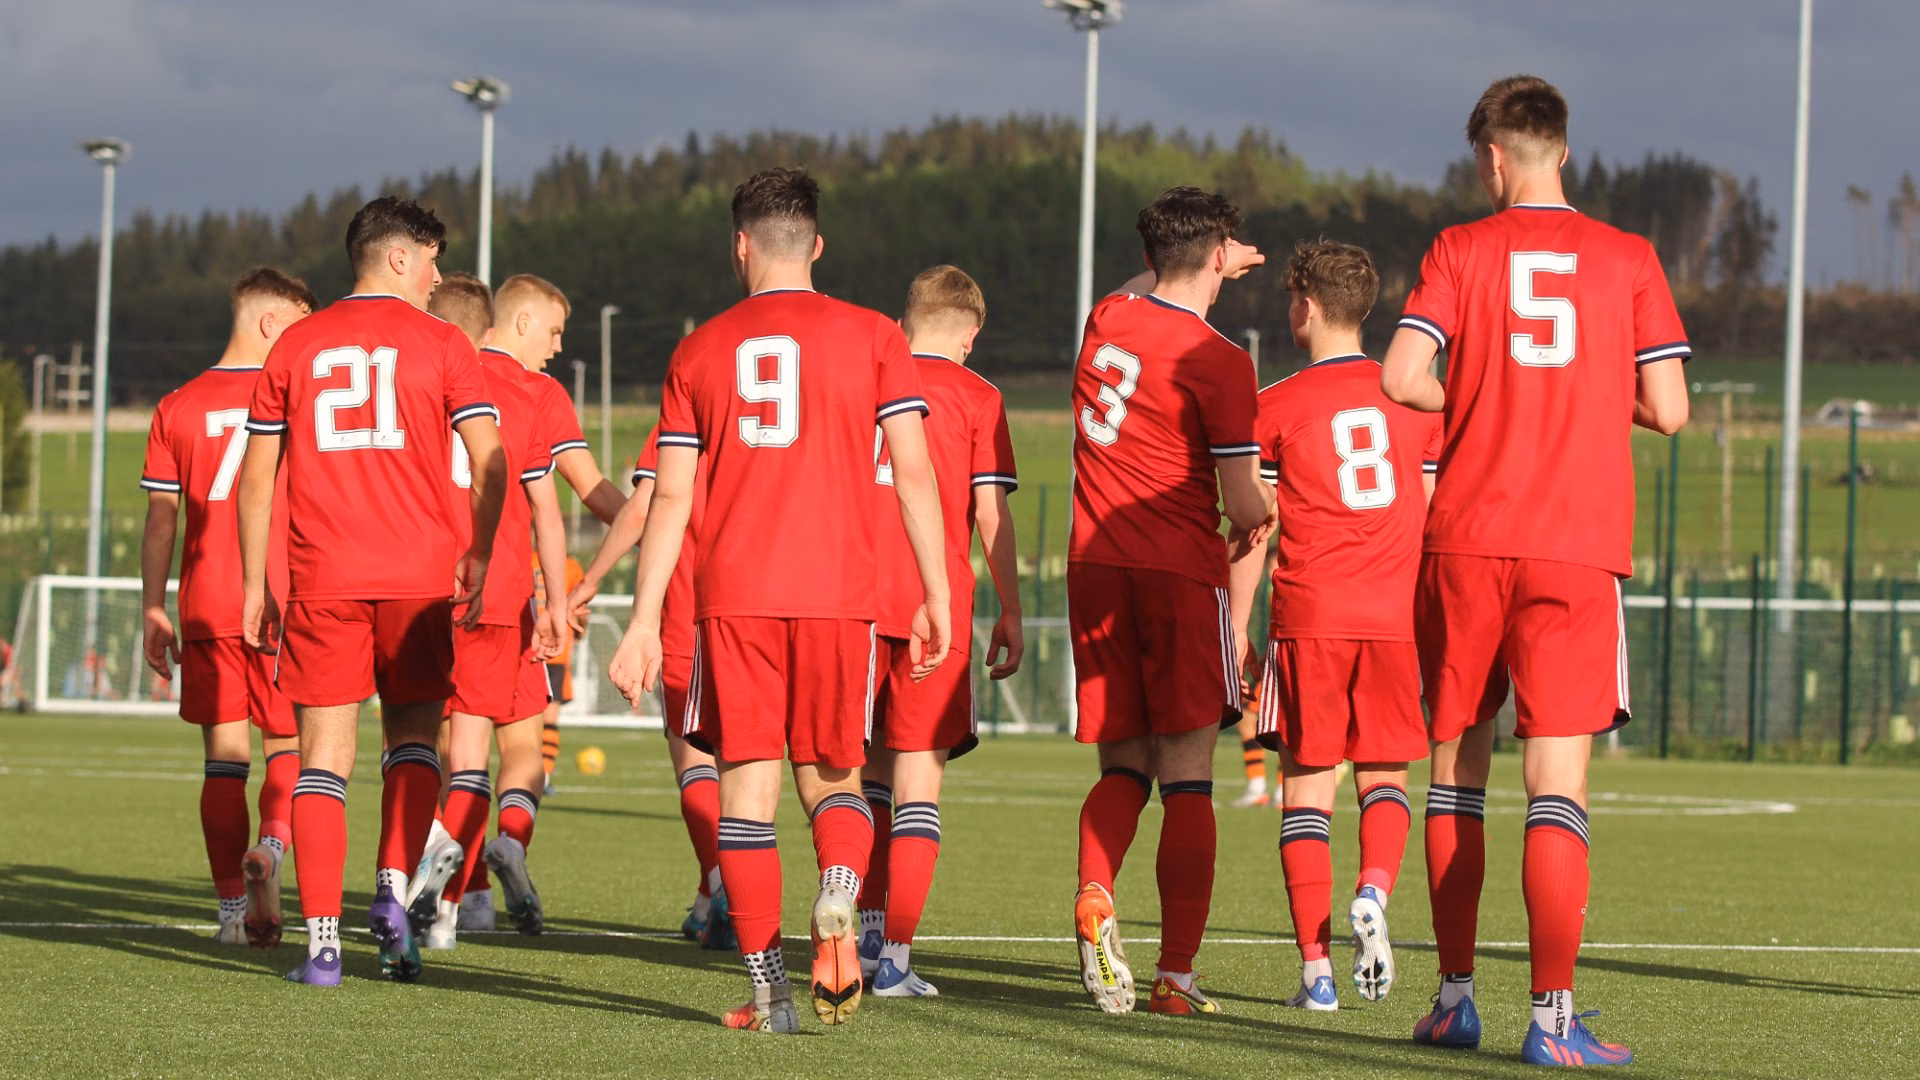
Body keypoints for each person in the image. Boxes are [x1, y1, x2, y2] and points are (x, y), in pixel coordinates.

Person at [1381, 74, 1690, 1066]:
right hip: (1576, 544)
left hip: (1466, 536)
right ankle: (1553, 1021)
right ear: (1563, 147)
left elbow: (1399, 377)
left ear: (1490, 157)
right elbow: (1672, 407)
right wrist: (1601, 398)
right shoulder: (1628, 257)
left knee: (1455, 772)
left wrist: (1475, 388)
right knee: (1557, 780)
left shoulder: (1459, 249)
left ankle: (1454, 997)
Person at [607, 167, 950, 1034]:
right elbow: (913, 475)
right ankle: (838, 893)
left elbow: (672, 499)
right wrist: (938, 592)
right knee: (835, 782)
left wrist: (645, 621)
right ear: (818, 246)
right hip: (843, 599)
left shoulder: (698, 350)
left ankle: (770, 996)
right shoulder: (876, 336)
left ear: (741, 246)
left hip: (735, 603)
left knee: (746, 797)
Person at [238, 196, 508, 986]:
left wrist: (258, 581)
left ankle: (322, 948)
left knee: (323, 757)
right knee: (414, 743)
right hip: (419, 578)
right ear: (396, 257)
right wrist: (482, 551)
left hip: (323, 575)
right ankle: (391, 895)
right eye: (429, 258)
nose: (435, 276)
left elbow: (257, 482)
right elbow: (489, 461)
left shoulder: (294, 346)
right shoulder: (445, 344)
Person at [1066, 186, 1274, 1016]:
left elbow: (1143, 282)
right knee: (1188, 779)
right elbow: (1242, 496)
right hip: (1179, 574)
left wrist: (1190, 251)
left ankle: (1094, 892)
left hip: (1094, 565)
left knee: (1123, 767)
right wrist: (1270, 512)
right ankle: (1176, 979)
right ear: (1221, 256)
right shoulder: (1222, 359)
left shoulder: (1106, 319)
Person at [1234, 240, 1439, 1012]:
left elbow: (1255, 530)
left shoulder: (1277, 407)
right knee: (1385, 776)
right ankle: (1375, 892)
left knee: (1305, 793)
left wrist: (1240, 627)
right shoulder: (1416, 400)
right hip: (1392, 619)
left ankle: (1317, 973)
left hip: (1309, 617)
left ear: (1306, 307)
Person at [856, 265, 1023, 998]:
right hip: (937, 605)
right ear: (970, 335)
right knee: (920, 781)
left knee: (862, 779)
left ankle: (859, 927)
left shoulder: (864, 377)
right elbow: (989, 514)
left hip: (853, 603)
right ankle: (893, 957)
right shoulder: (978, 394)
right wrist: (1011, 609)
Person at [138, 267, 315, 949]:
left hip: (207, 605)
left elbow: (161, 524)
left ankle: (232, 914)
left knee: (223, 758)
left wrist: (154, 607)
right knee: (290, 745)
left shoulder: (176, 405)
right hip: (278, 602)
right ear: (271, 324)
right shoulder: (292, 399)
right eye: (299, 324)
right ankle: (273, 843)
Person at [409, 273, 569, 950]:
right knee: (497, 752)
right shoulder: (524, 397)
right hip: (498, 593)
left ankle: (444, 891)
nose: (557, 348)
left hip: (419, 590)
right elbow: (551, 511)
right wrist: (559, 598)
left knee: (423, 753)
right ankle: (448, 899)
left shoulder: (413, 386)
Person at [570, 426, 735, 951]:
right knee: (749, 768)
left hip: (691, 611)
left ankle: (722, 881)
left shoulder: (687, 405)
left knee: (695, 765)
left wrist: (591, 578)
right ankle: (714, 895)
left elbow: (646, 505)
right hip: (769, 614)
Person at [536, 554, 584, 791]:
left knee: (522, 722)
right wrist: (578, 633)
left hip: (527, 649)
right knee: (549, 719)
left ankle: (537, 774)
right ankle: (543, 775)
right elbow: (581, 609)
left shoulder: (520, 557)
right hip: (556, 650)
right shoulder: (570, 566)